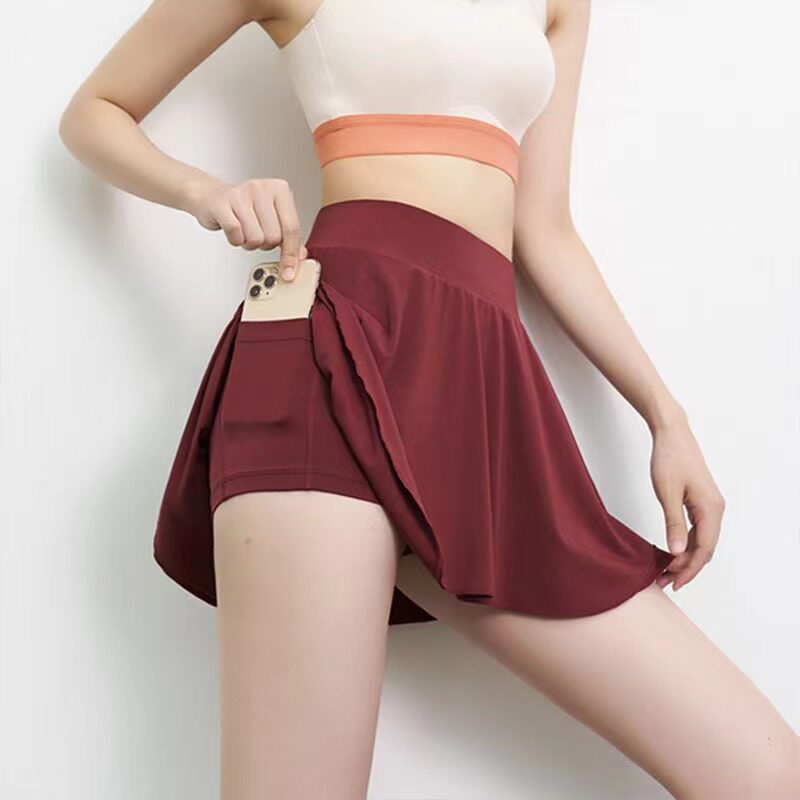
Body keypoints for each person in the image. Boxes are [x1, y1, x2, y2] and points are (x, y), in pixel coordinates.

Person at [59, 0, 799, 797]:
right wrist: (202, 191)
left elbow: (544, 229)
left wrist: (664, 415)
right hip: (325, 358)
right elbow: (95, 111)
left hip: (481, 390)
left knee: (763, 775)